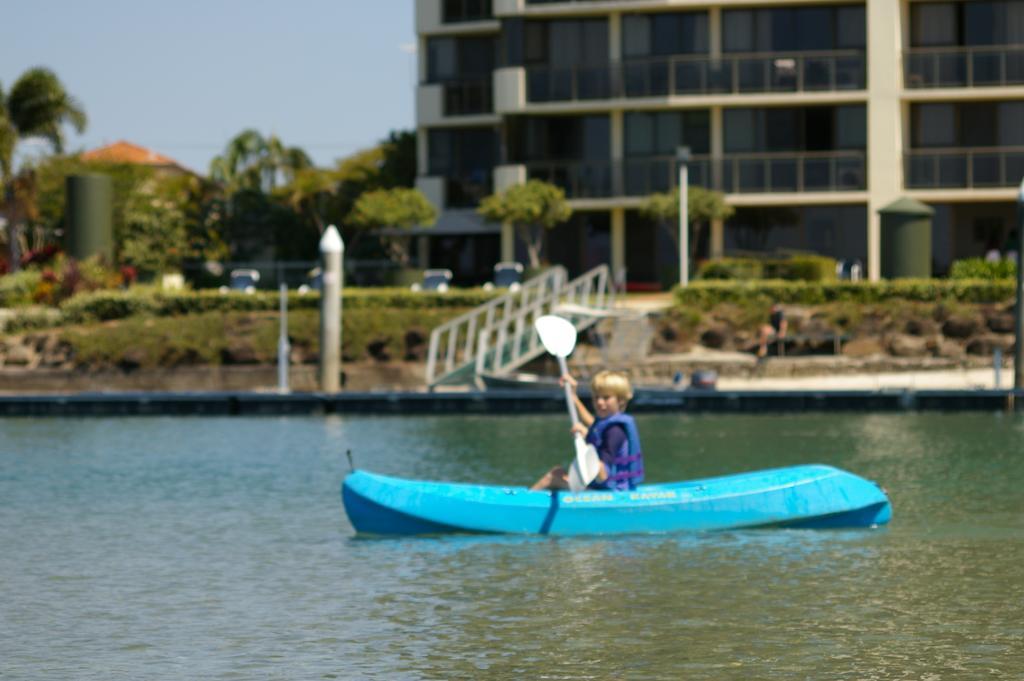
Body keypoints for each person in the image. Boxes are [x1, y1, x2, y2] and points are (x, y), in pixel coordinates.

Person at [530, 370, 644, 492]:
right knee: (558, 472)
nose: (600, 402)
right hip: (608, 488)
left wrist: (586, 449)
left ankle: (525, 500)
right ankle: (528, 498)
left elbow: (603, 475)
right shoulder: (607, 423)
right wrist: (573, 395)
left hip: (610, 493)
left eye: (606, 398)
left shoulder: (614, 431)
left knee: (554, 477)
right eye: (596, 397)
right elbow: (592, 423)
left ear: (621, 400)